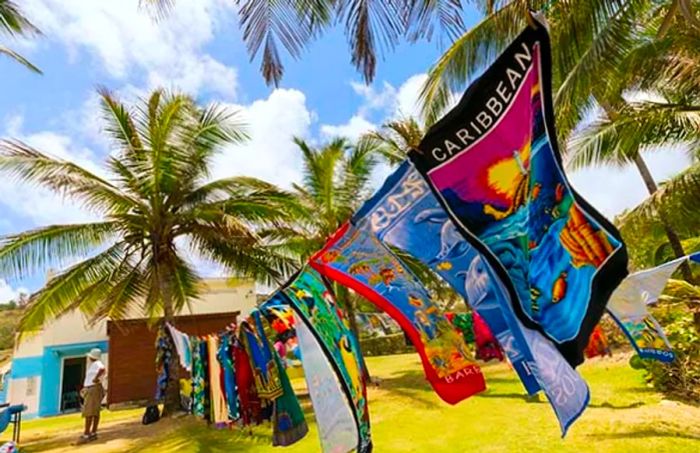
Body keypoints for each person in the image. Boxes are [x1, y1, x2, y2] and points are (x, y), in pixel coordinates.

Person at [79, 348, 105, 444]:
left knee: (89, 411)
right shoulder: (94, 365)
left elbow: (102, 369)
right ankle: (93, 432)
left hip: (93, 389)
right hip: (92, 388)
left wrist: (95, 379)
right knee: (94, 411)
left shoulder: (97, 364)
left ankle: (87, 433)